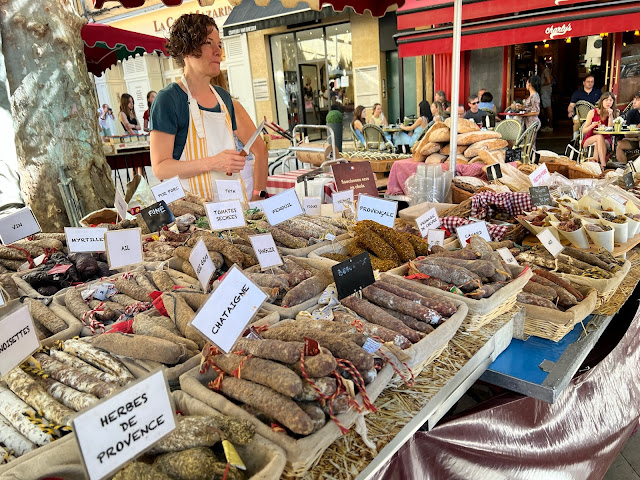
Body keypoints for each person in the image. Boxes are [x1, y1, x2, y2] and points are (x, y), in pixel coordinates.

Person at [150, 14, 255, 201]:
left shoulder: (224, 98)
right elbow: (160, 168)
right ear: (187, 49)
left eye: (220, 45)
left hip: (231, 209)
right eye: (208, 43)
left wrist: (233, 161)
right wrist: (214, 162)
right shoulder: (169, 100)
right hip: (193, 216)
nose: (218, 52)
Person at [211, 73, 268, 198]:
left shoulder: (231, 106)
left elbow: (261, 152)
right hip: (215, 188)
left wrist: (257, 195)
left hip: (240, 183)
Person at [581, 92, 616, 168]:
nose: (608, 102)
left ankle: (596, 167)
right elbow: (584, 131)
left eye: (611, 100)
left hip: (606, 139)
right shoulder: (593, 112)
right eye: (606, 100)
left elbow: (610, 128)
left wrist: (610, 116)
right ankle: (603, 165)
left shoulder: (613, 113)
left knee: (597, 143)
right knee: (599, 137)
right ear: (602, 101)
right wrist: (591, 126)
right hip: (590, 138)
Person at [516, 75, 541, 151]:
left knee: (530, 143)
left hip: (532, 122)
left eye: (526, 82)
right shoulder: (532, 96)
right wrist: (522, 107)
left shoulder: (535, 96)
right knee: (529, 143)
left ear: (529, 84)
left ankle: (531, 159)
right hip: (528, 122)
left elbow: (536, 112)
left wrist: (524, 114)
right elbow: (530, 108)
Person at [616, 93, 640, 163]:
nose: (634, 102)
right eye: (634, 99)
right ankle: (624, 169)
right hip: (634, 140)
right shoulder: (631, 113)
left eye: (637, 100)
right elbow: (627, 134)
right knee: (619, 144)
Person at [538, 58, 553, 132]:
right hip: (544, 92)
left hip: (546, 91)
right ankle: (547, 125)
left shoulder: (546, 70)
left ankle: (550, 126)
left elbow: (549, 81)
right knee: (545, 108)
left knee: (548, 108)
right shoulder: (545, 71)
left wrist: (540, 84)